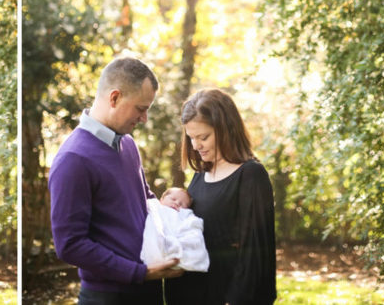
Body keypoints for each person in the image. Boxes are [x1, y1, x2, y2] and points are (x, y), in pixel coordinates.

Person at [48, 56, 182, 305]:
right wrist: (139, 273)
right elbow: (70, 245)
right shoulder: (73, 159)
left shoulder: (128, 144)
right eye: (141, 109)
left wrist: (170, 212)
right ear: (114, 98)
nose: (144, 119)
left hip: (147, 290)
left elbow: (144, 199)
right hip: (108, 297)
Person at [165, 88, 276, 305]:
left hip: (225, 295)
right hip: (190, 292)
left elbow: (255, 253)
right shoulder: (200, 175)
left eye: (203, 137)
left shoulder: (251, 175)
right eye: (191, 138)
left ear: (226, 129)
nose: (196, 146)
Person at [139, 187, 209, 272]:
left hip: (174, 242)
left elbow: (192, 227)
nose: (177, 203)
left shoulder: (184, 216)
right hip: (156, 238)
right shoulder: (155, 207)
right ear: (161, 199)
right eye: (173, 199)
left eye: (182, 204)